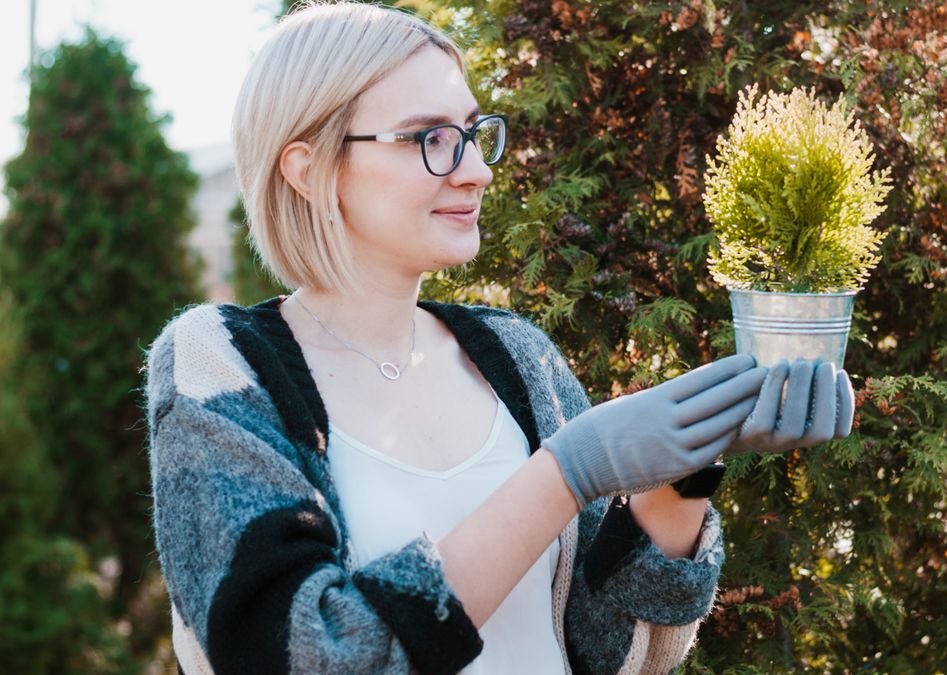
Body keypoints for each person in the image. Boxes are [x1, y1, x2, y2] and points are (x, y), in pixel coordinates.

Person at [143, 2, 855, 673]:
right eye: (432, 140)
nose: (479, 171)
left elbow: (620, 656)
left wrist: (689, 467)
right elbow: (307, 652)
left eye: (476, 135)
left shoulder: (518, 358)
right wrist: (564, 473)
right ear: (309, 169)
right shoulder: (221, 364)